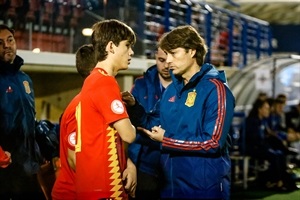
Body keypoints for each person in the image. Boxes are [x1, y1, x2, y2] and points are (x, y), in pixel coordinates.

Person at [136, 25, 235, 200]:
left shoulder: (216, 89)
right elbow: (155, 124)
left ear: (192, 51)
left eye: (174, 53)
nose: (168, 61)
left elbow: (213, 142)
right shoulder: (172, 90)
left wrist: (167, 140)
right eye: (166, 55)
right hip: (171, 187)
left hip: (205, 190)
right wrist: (133, 109)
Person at [75, 19, 137, 200]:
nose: (131, 52)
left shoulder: (92, 80)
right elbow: (129, 135)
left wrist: (129, 163)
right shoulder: (105, 82)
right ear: (111, 46)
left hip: (91, 186)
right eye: (127, 45)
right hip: (106, 188)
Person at [0, 24, 45, 199]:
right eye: (0, 42)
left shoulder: (25, 79)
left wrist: (40, 149)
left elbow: (29, 118)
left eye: (10, 40)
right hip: (6, 169)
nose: (6, 45)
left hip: (28, 165)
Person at [51, 44, 97, 199]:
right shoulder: (80, 107)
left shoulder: (94, 103)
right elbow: (74, 159)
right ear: (95, 70)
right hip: (73, 194)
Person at [127, 47, 171, 200]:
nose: (166, 66)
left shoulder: (184, 87)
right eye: (161, 60)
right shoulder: (141, 85)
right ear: (155, 57)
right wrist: (130, 161)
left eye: (169, 60)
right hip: (145, 165)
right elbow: (131, 125)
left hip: (174, 166)